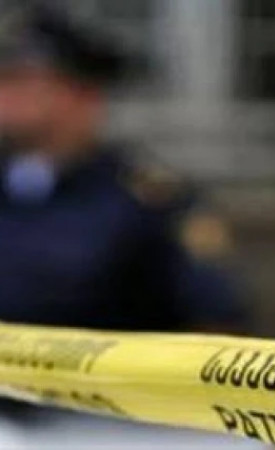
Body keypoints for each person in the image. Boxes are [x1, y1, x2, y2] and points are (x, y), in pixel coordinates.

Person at [0, 5, 246, 333]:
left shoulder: (148, 201)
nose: (5, 95)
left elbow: (214, 320)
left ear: (83, 96)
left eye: (21, 80)